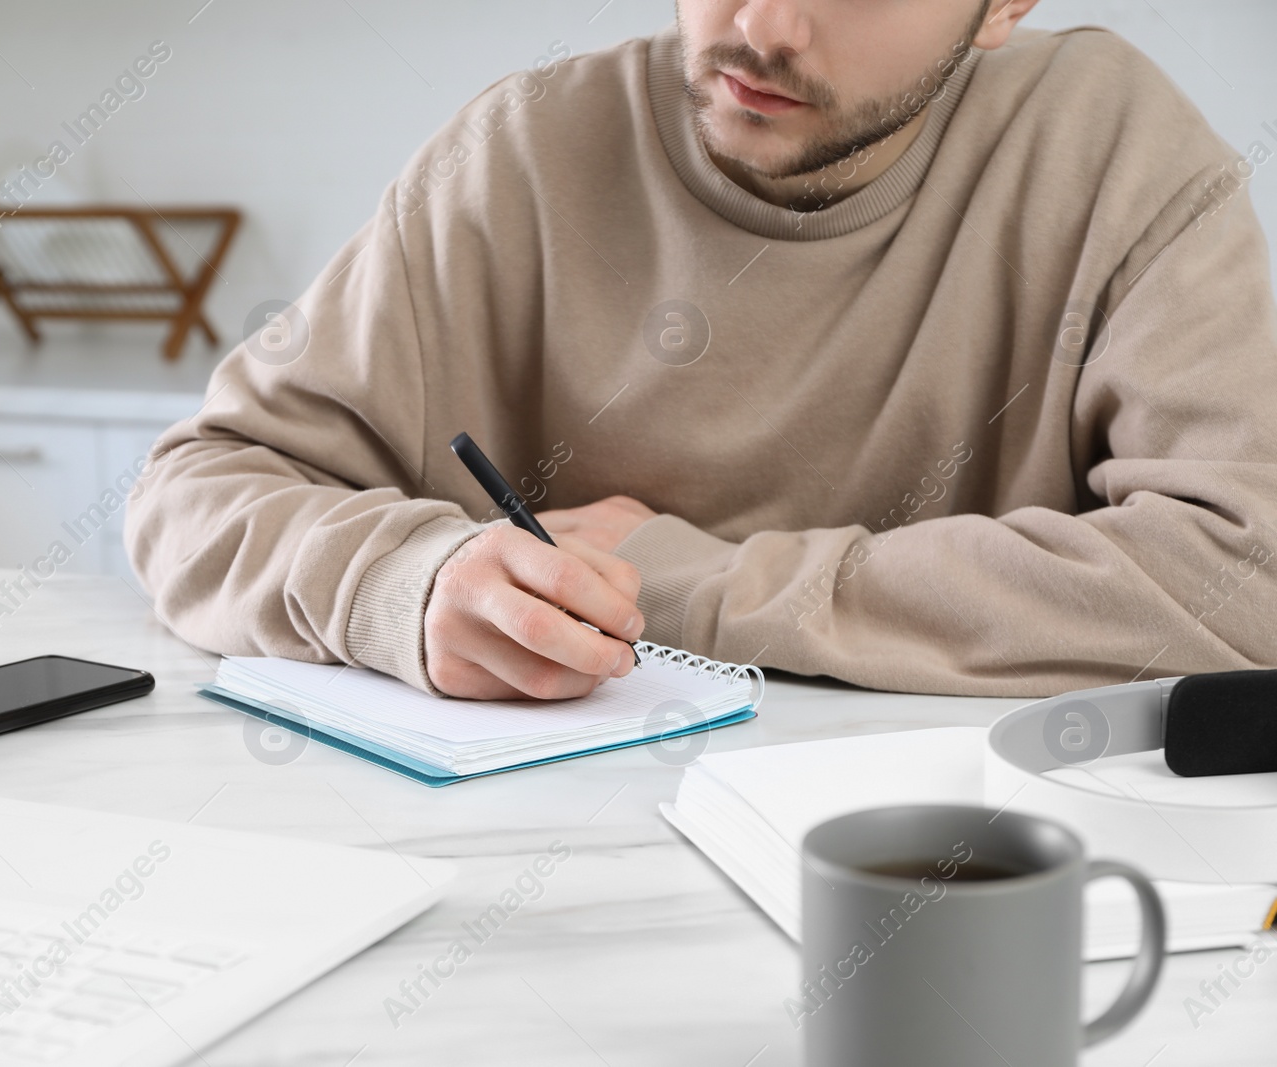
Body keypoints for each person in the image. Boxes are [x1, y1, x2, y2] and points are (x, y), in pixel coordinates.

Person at [126, 0, 1277, 701]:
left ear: (1002, 4)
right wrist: (401, 581)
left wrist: (689, 581)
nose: (762, 28)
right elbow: (196, 492)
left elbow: (1246, 575)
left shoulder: (1114, 147)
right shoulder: (521, 152)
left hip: (944, 876)